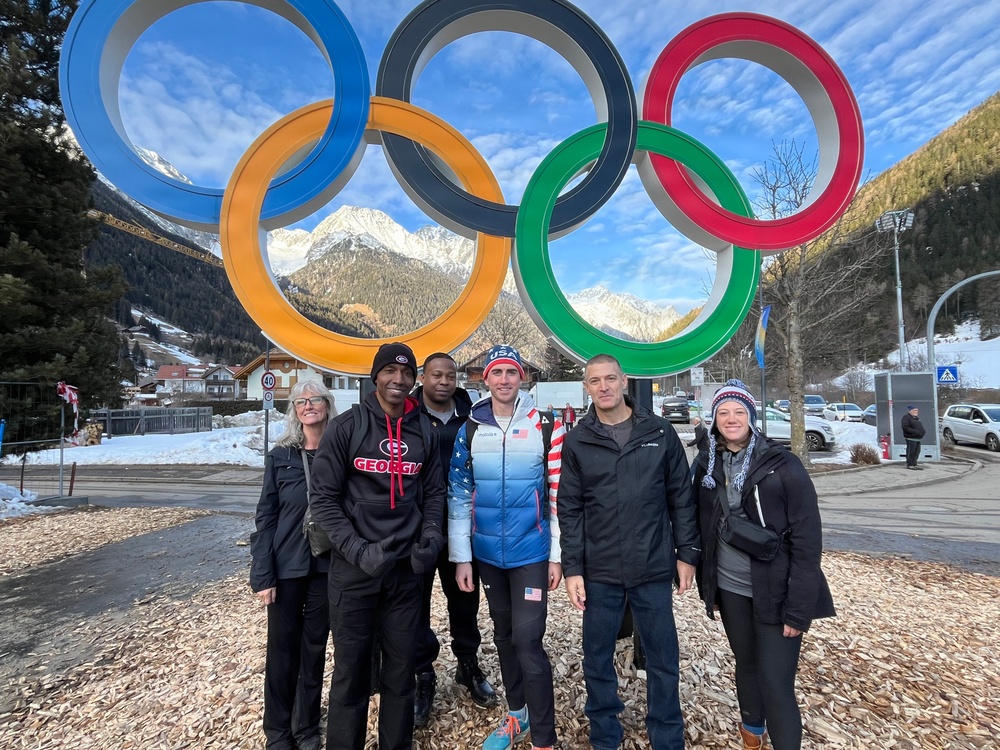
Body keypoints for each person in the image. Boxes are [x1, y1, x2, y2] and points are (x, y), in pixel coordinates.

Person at [558, 354, 700, 750]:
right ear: (586, 388)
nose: (603, 387)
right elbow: (569, 508)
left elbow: (681, 497)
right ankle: (605, 734)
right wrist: (573, 568)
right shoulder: (578, 440)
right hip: (599, 570)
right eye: (595, 381)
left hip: (652, 566)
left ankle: (667, 736)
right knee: (596, 657)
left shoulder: (659, 432)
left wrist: (687, 553)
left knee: (663, 658)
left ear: (624, 382)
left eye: (610, 379)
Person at [309, 342, 446, 750]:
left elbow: (434, 493)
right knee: (350, 675)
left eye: (406, 373)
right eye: (389, 371)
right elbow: (323, 500)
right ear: (375, 377)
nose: (398, 380)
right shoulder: (346, 427)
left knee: (401, 675)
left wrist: (431, 536)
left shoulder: (424, 431)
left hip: (404, 573)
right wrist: (357, 549)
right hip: (354, 572)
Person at [693, 380, 835, 750]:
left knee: (775, 681)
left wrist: (798, 609)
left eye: (739, 411)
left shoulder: (782, 464)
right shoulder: (707, 464)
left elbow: (807, 541)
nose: (731, 419)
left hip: (778, 589)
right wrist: (709, 587)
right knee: (746, 664)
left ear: (752, 417)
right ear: (714, 419)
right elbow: (702, 526)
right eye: (723, 412)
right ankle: (752, 737)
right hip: (731, 588)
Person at [449, 344, 564, 750]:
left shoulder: (545, 425)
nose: (504, 379)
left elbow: (557, 494)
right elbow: (459, 494)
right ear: (486, 379)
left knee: (528, 641)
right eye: (496, 372)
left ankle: (544, 738)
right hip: (487, 556)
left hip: (531, 552)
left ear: (522, 377)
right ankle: (518, 715)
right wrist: (461, 557)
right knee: (503, 636)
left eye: (511, 372)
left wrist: (557, 556)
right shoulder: (470, 428)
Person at [250, 380, 337, 750]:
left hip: (326, 567)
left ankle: (306, 728)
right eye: (301, 402)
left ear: (327, 405)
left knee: (314, 649)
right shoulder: (280, 456)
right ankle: (278, 731)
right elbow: (266, 518)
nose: (308, 406)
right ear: (294, 411)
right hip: (286, 567)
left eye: (315, 399)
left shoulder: (340, 452)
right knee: (282, 651)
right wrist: (262, 573)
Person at [412, 352, 497, 727]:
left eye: (450, 375)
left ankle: (467, 664)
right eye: (436, 375)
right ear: (423, 378)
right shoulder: (407, 414)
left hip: (462, 525)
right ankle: (422, 673)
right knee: (414, 605)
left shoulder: (473, 416)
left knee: (464, 600)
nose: (444, 381)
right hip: (417, 527)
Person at [901, 405, 925, 470]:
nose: (916, 412)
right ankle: (910, 464)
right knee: (911, 452)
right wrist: (915, 432)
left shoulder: (916, 418)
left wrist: (922, 432)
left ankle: (914, 464)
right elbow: (905, 427)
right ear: (910, 411)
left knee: (916, 452)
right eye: (914, 410)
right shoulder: (906, 418)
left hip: (917, 438)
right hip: (911, 438)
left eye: (917, 410)